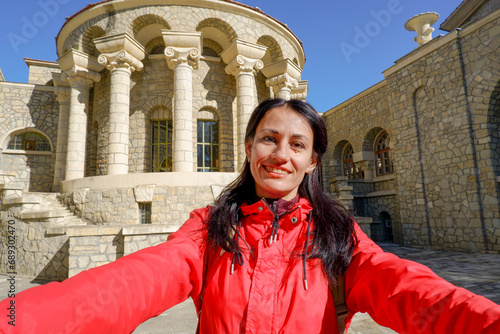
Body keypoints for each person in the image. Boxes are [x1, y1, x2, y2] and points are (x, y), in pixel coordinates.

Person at [1, 98, 499, 333]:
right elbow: (136, 280)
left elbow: (407, 288)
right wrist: (20, 318)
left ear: (312, 161)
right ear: (248, 147)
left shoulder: (335, 232)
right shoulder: (208, 226)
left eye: (297, 144)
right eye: (269, 138)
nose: (281, 154)